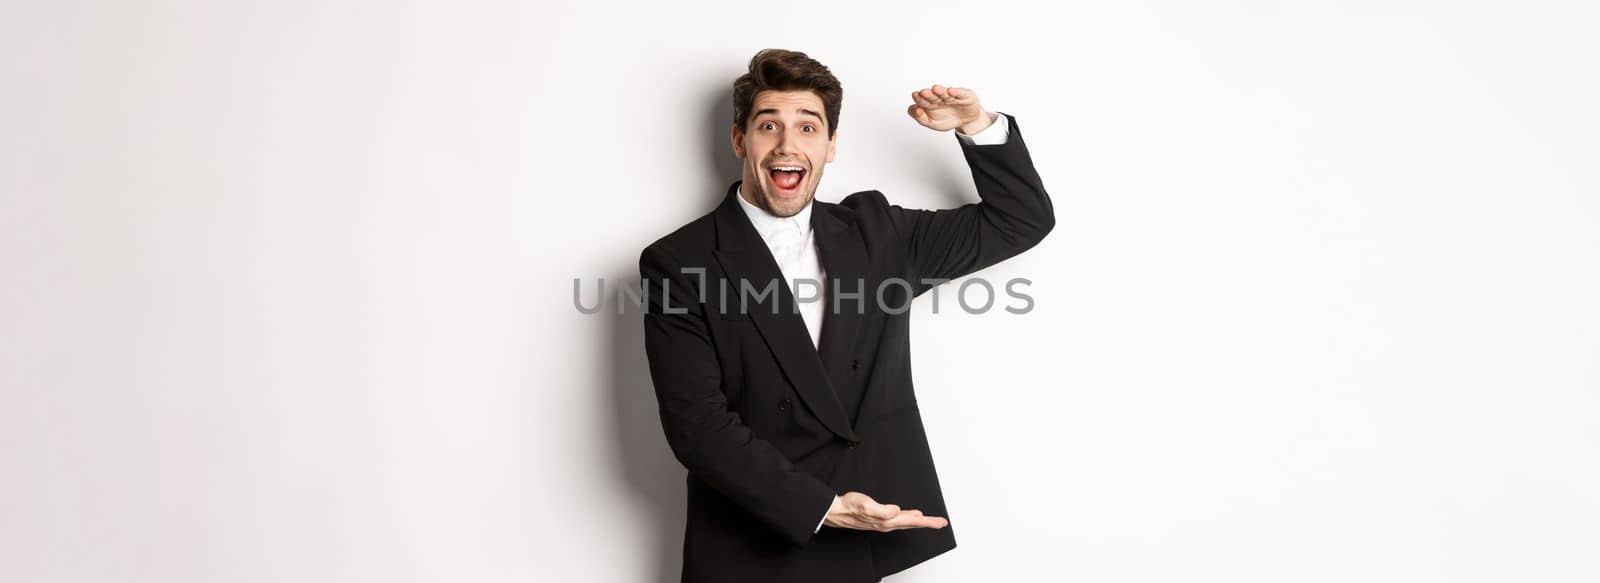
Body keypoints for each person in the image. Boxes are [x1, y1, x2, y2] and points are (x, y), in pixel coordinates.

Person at [639, 48, 1055, 582]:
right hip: (747, 541)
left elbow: (1020, 220)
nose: (788, 145)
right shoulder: (680, 261)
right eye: (769, 125)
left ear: (831, 145)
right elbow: (697, 425)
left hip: (860, 542)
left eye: (809, 127)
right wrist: (823, 507)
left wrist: (977, 125)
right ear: (740, 140)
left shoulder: (879, 235)